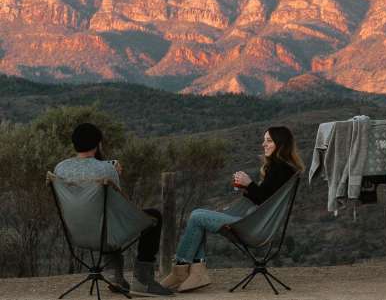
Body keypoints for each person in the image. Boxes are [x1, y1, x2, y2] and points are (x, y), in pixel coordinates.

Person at [160, 126, 304, 293]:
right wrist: (246, 188)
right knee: (199, 219)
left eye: (269, 140)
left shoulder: (280, 168)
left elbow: (263, 200)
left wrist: (249, 183)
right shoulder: (283, 168)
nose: (264, 144)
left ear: (281, 144)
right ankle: (196, 272)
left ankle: (181, 270)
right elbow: (263, 199)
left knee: (196, 215)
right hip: (255, 224)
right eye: (264, 140)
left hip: (253, 228)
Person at [53, 123, 173, 297]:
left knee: (102, 216)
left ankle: (114, 275)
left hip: (76, 233)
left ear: (74, 144)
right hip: (104, 234)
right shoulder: (106, 170)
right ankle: (143, 281)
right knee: (153, 216)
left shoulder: (60, 168)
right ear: (97, 144)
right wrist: (114, 172)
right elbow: (119, 204)